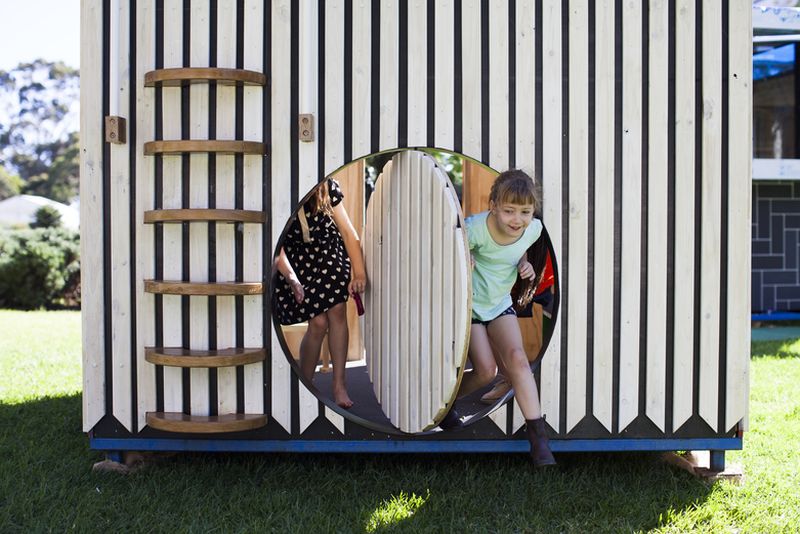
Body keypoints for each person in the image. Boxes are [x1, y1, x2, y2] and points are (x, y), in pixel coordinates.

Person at [441, 169, 556, 467]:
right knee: (486, 372)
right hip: (472, 307)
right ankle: (444, 401)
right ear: (493, 205)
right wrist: (466, 256)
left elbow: (518, 250)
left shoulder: (532, 230)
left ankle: (538, 440)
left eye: (524, 212)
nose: (516, 219)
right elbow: (449, 251)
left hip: (499, 304)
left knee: (518, 360)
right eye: (508, 211)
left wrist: (525, 264)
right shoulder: (475, 228)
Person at [274, 178, 367, 409]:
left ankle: (339, 384)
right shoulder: (281, 185)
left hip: (328, 251)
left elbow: (347, 232)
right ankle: (306, 384)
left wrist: (359, 273)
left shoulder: (327, 187)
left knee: (336, 310)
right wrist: (291, 277)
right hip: (296, 261)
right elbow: (276, 246)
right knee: (317, 322)